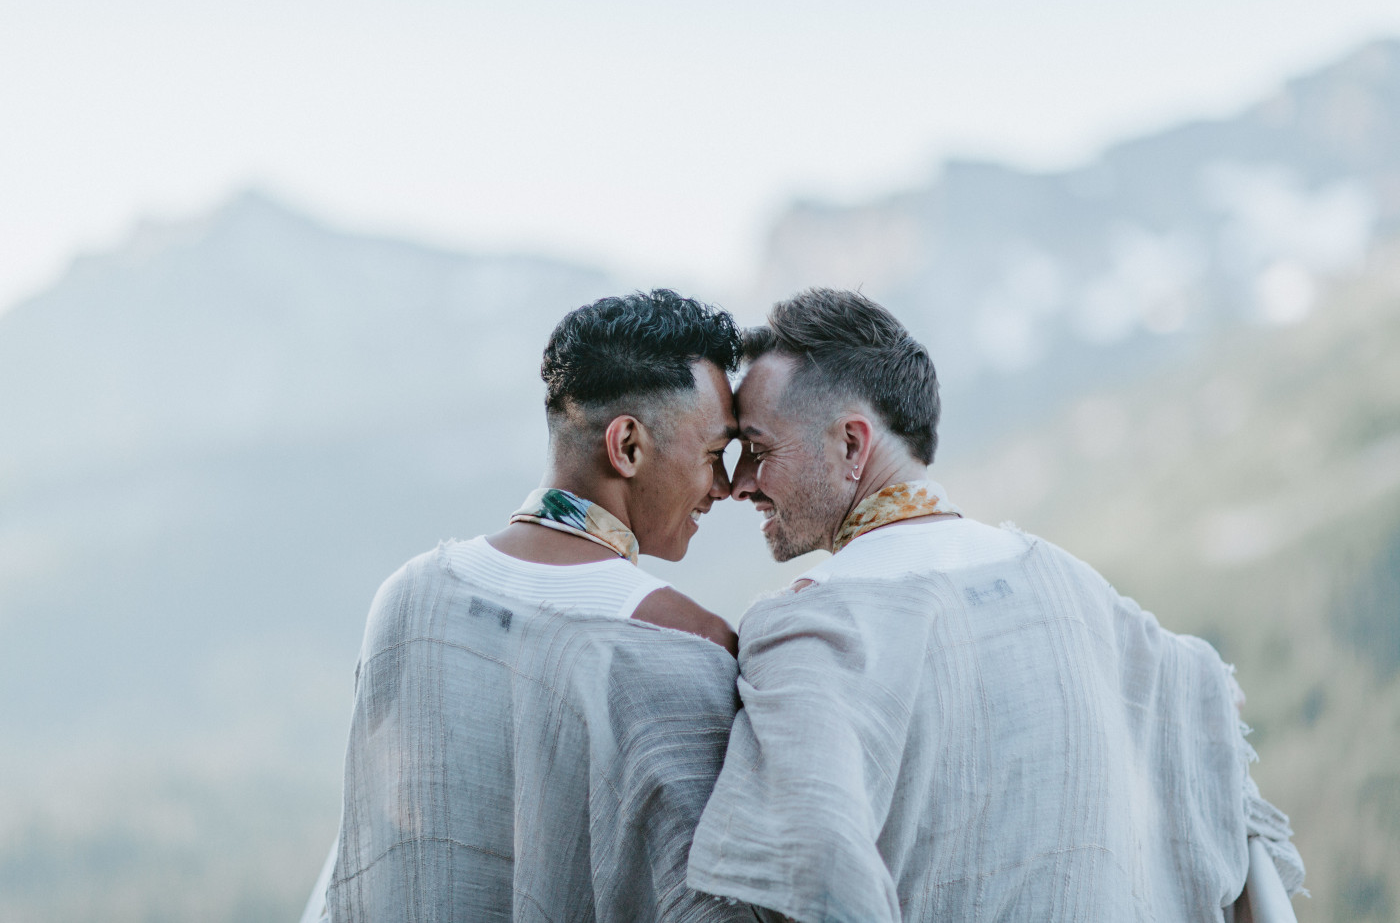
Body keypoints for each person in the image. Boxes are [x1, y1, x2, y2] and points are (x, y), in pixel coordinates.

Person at [686, 288, 1305, 922]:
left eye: (758, 450)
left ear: (851, 444)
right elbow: (1199, 692)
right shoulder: (1070, 582)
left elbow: (814, 873)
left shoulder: (807, 625)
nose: (738, 484)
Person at [305, 289, 763, 922]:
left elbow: (371, 856)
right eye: (714, 455)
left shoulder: (408, 601)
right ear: (627, 446)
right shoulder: (689, 646)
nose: (725, 487)